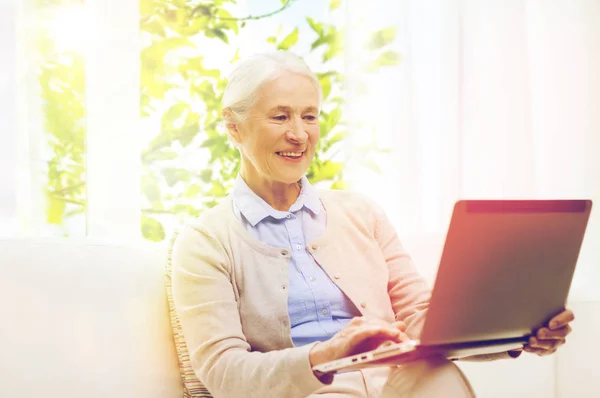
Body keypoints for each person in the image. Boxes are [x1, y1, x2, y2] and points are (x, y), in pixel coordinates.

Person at [170, 51, 574, 398]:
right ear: (233, 126)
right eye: (280, 116)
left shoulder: (362, 213)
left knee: (438, 377)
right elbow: (224, 372)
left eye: (309, 116)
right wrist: (327, 355)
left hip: (395, 383)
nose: (299, 134)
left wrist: (516, 334)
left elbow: (421, 317)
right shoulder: (205, 242)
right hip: (311, 392)